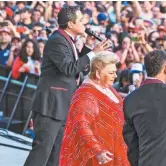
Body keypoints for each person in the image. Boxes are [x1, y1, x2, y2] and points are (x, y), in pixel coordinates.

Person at [24, 6, 109, 166]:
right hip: (51, 106)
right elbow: (68, 68)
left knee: (56, 155)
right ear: (70, 24)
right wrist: (93, 54)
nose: (85, 23)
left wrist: (88, 47)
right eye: (81, 21)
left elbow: (78, 68)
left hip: (62, 106)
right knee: (41, 153)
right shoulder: (57, 40)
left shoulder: (67, 39)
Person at [59, 51, 129, 166]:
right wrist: (97, 150)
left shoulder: (107, 87)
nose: (115, 76)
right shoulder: (86, 95)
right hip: (99, 158)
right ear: (98, 73)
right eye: (111, 73)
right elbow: (81, 124)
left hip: (114, 153)